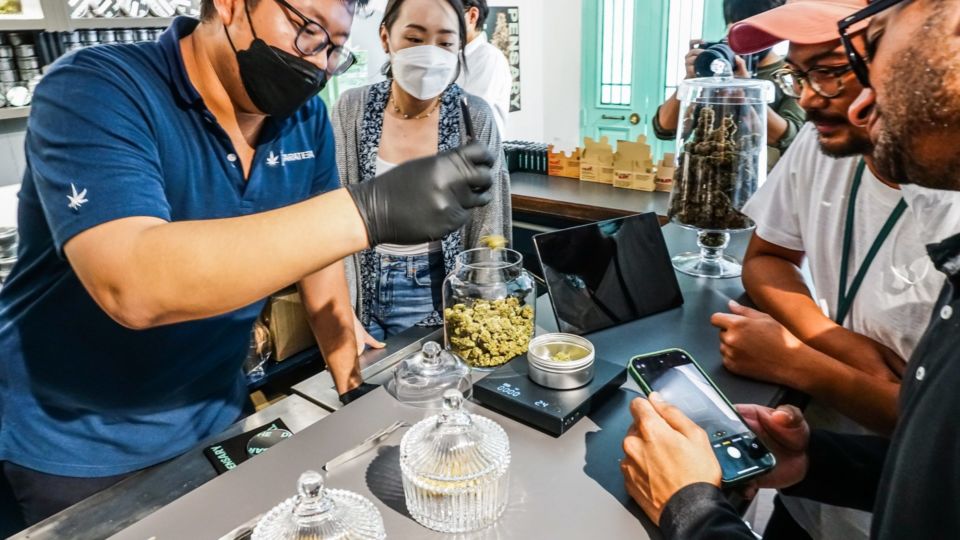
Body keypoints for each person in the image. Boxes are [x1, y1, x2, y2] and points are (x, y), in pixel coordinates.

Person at [0, 0, 496, 530]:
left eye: (335, 48)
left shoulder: (303, 120)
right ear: (232, 5)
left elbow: (320, 266)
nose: (318, 63)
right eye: (307, 29)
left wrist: (352, 386)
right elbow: (133, 284)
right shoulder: (98, 89)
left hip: (221, 411)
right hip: (80, 441)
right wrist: (367, 209)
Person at [620, 0, 960, 538]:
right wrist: (812, 458)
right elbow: (769, 259)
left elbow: (930, 434)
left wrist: (691, 507)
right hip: (820, 487)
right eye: (799, 75)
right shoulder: (820, 146)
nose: (807, 97)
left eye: (830, 71)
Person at [330, 0, 510, 342]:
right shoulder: (352, 108)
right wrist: (341, 308)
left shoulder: (473, 117)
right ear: (386, 37)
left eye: (445, 43)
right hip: (360, 282)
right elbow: (331, 211)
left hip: (436, 287)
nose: (430, 54)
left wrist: (483, 312)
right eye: (414, 39)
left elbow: (490, 223)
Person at [652, 0, 805, 169]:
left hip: (759, 186)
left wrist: (746, 92)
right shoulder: (717, 70)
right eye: (736, 29)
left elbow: (792, 137)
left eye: (752, 31)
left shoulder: (788, 74)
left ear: (774, 33)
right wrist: (690, 82)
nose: (742, 41)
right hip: (705, 180)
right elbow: (664, 129)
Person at [457, 0, 512, 138]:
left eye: (448, 15)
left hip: (476, 156)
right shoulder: (453, 56)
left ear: (472, 16)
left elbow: (468, 116)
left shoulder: (489, 58)